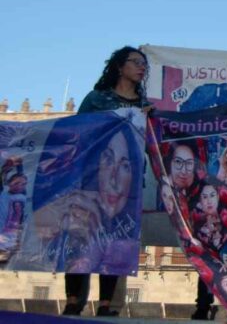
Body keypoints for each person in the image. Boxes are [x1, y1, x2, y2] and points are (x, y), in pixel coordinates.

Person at [63, 46, 150, 318]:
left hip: (127, 182)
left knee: (116, 237)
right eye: (136, 62)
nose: (141, 67)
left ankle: (106, 303)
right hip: (91, 175)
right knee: (81, 235)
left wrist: (147, 119)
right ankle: (74, 298)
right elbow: (76, 132)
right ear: (119, 66)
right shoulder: (97, 99)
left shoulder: (142, 104)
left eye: (144, 63)